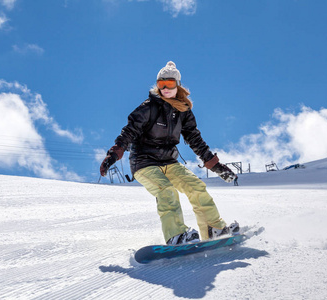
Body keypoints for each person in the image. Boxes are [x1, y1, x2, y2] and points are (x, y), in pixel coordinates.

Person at [100, 61, 239, 245]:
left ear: (178, 85)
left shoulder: (183, 111)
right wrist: (114, 154)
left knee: (197, 187)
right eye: (161, 84)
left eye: (170, 84)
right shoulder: (148, 107)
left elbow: (195, 140)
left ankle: (214, 229)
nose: (165, 88)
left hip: (169, 162)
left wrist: (216, 166)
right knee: (166, 190)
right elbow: (129, 131)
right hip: (144, 163)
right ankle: (176, 235)